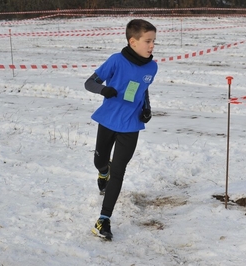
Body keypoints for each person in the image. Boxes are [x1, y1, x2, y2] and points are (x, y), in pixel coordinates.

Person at [84, 19, 158, 240]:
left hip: (131, 125)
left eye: (154, 41)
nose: (152, 46)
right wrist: (103, 90)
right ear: (132, 41)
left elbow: (143, 91)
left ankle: (103, 221)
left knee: (119, 171)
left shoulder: (153, 67)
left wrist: (146, 109)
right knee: (101, 161)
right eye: (148, 41)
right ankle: (102, 171)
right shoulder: (116, 61)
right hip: (108, 120)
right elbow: (90, 83)